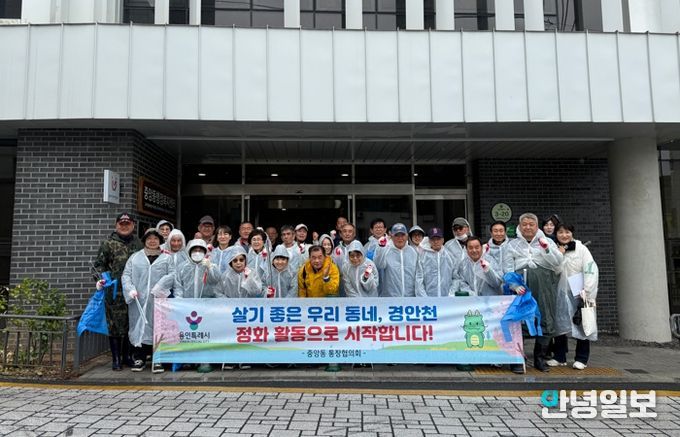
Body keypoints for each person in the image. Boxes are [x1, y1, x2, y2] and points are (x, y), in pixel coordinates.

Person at [503, 213, 563, 372]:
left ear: (537, 227)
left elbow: (558, 262)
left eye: (531, 224)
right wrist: (514, 285)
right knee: (518, 321)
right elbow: (507, 268)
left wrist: (546, 249)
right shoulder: (512, 245)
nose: (528, 227)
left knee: (545, 319)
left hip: (544, 287)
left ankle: (540, 358)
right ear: (519, 226)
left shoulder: (548, 241)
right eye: (524, 224)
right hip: (521, 288)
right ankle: (517, 359)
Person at [93, 212, 143, 371]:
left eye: (128, 224)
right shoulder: (108, 244)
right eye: (122, 224)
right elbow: (98, 265)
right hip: (115, 292)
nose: (125, 226)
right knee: (115, 326)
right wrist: (101, 280)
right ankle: (116, 359)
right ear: (116, 225)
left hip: (134, 291)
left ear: (133, 225)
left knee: (131, 324)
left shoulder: (138, 244)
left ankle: (127, 357)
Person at [122, 228, 176, 373]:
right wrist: (130, 289)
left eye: (155, 239)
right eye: (149, 238)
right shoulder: (135, 257)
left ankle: (157, 360)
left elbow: (172, 275)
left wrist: (160, 287)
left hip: (158, 300)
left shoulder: (167, 258)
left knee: (159, 328)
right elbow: (126, 275)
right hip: (138, 300)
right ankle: (139, 358)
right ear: (144, 241)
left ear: (160, 241)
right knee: (139, 328)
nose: (152, 241)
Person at [548, 223, 599, 370]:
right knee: (559, 324)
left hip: (578, 289)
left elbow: (590, 269)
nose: (564, 235)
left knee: (582, 322)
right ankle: (559, 356)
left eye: (567, 232)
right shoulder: (553, 249)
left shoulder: (581, 249)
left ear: (572, 233)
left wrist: (587, 291)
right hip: (560, 290)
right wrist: (559, 255)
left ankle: (582, 358)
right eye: (560, 232)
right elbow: (552, 270)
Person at [297, 245, 341, 372]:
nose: (317, 261)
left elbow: (333, 289)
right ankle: (314, 359)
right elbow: (302, 290)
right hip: (311, 309)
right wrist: (303, 308)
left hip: (328, 309)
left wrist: (326, 278)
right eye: (313, 257)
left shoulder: (332, 268)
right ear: (309, 258)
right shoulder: (304, 269)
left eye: (320, 257)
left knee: (328, 335)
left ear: (325, 256)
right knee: (313, 335)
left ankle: (330, 361)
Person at [374, 223, 418, 297]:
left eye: (402, 235)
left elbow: (418, 275)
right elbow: (379, 265)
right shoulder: (386, 251)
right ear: (391, 236)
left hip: (411, 297)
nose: (400, 238)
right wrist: (380, 248)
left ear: (407, 236)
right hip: (391, 298)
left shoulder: (413, 252)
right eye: (396, 235)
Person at [415, 227, 456, 297]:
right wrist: (424, 298)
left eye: (438, 239)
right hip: (428, 300)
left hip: (447, 299)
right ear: (429, 241)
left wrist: (451, 295)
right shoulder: (423, 257)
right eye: (433, 239)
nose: (436, 242)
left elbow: (456, 278)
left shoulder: (450, 256)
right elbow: (419, 279)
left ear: (443, 240)